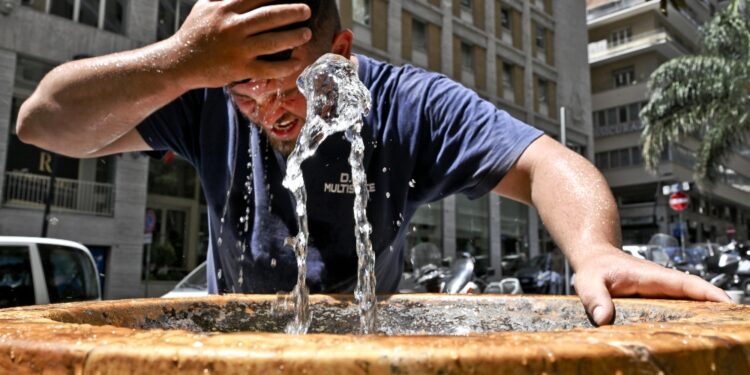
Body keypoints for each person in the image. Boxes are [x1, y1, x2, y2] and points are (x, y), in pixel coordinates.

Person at [16, 0, 731, 326]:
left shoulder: (403, 104)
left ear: (342, 56)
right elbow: (44, 122)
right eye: (245, 91)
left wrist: (596, 248)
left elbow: (546, 162)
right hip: (235, 330)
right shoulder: (202, 97)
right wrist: (181, 63)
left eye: (290, 83)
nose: (270, 111)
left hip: (367, 330)